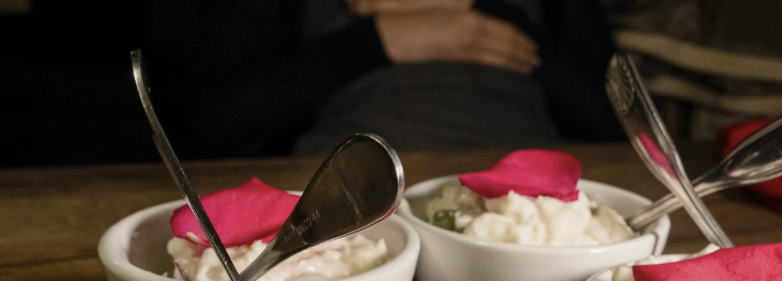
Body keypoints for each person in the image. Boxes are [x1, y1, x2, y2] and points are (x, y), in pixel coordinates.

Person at [142, 0, 623, 158]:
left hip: (531, 180)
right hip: (350, 178)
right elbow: (214, 121)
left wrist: (473, 15)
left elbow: (618, 119)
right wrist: (380, 40)